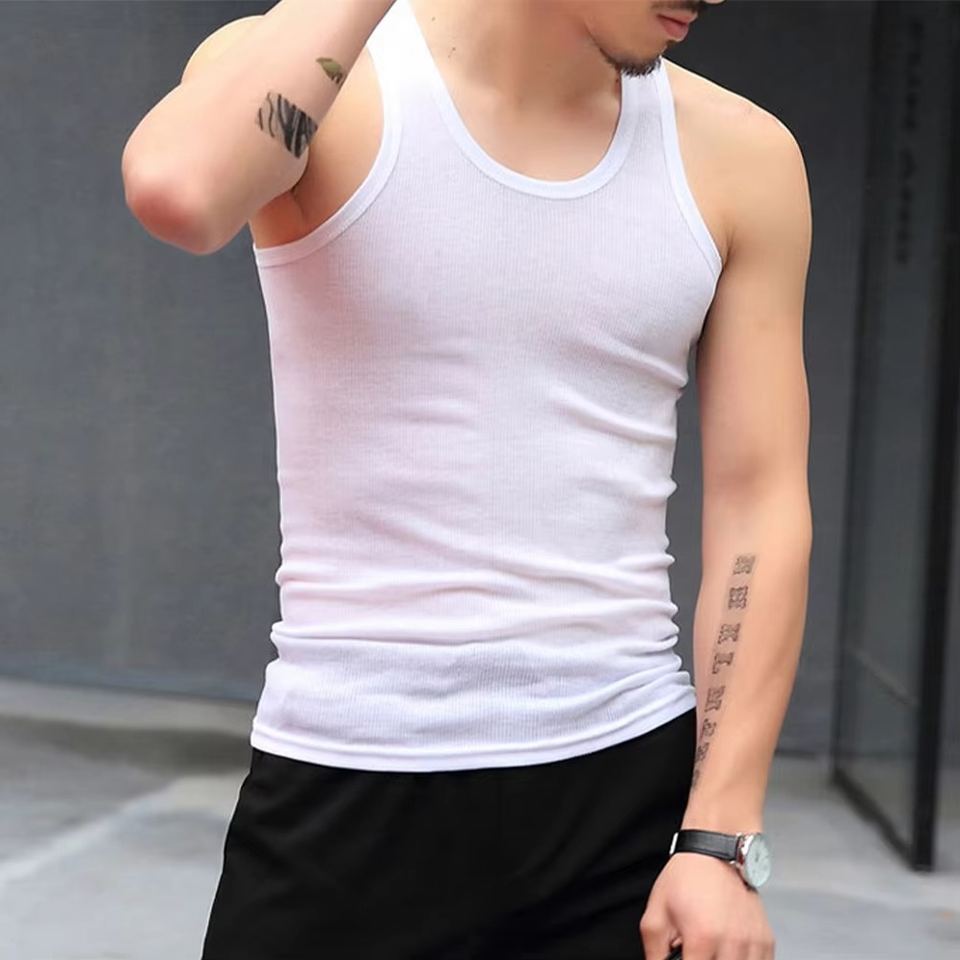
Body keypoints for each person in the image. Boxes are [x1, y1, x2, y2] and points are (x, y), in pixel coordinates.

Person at [122, 0, 812, 957]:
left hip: (619, 792)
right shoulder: (335, 87)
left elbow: (760, 504)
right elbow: (180, 191)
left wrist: (720, 836)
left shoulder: (742, 154)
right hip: (345, 781)